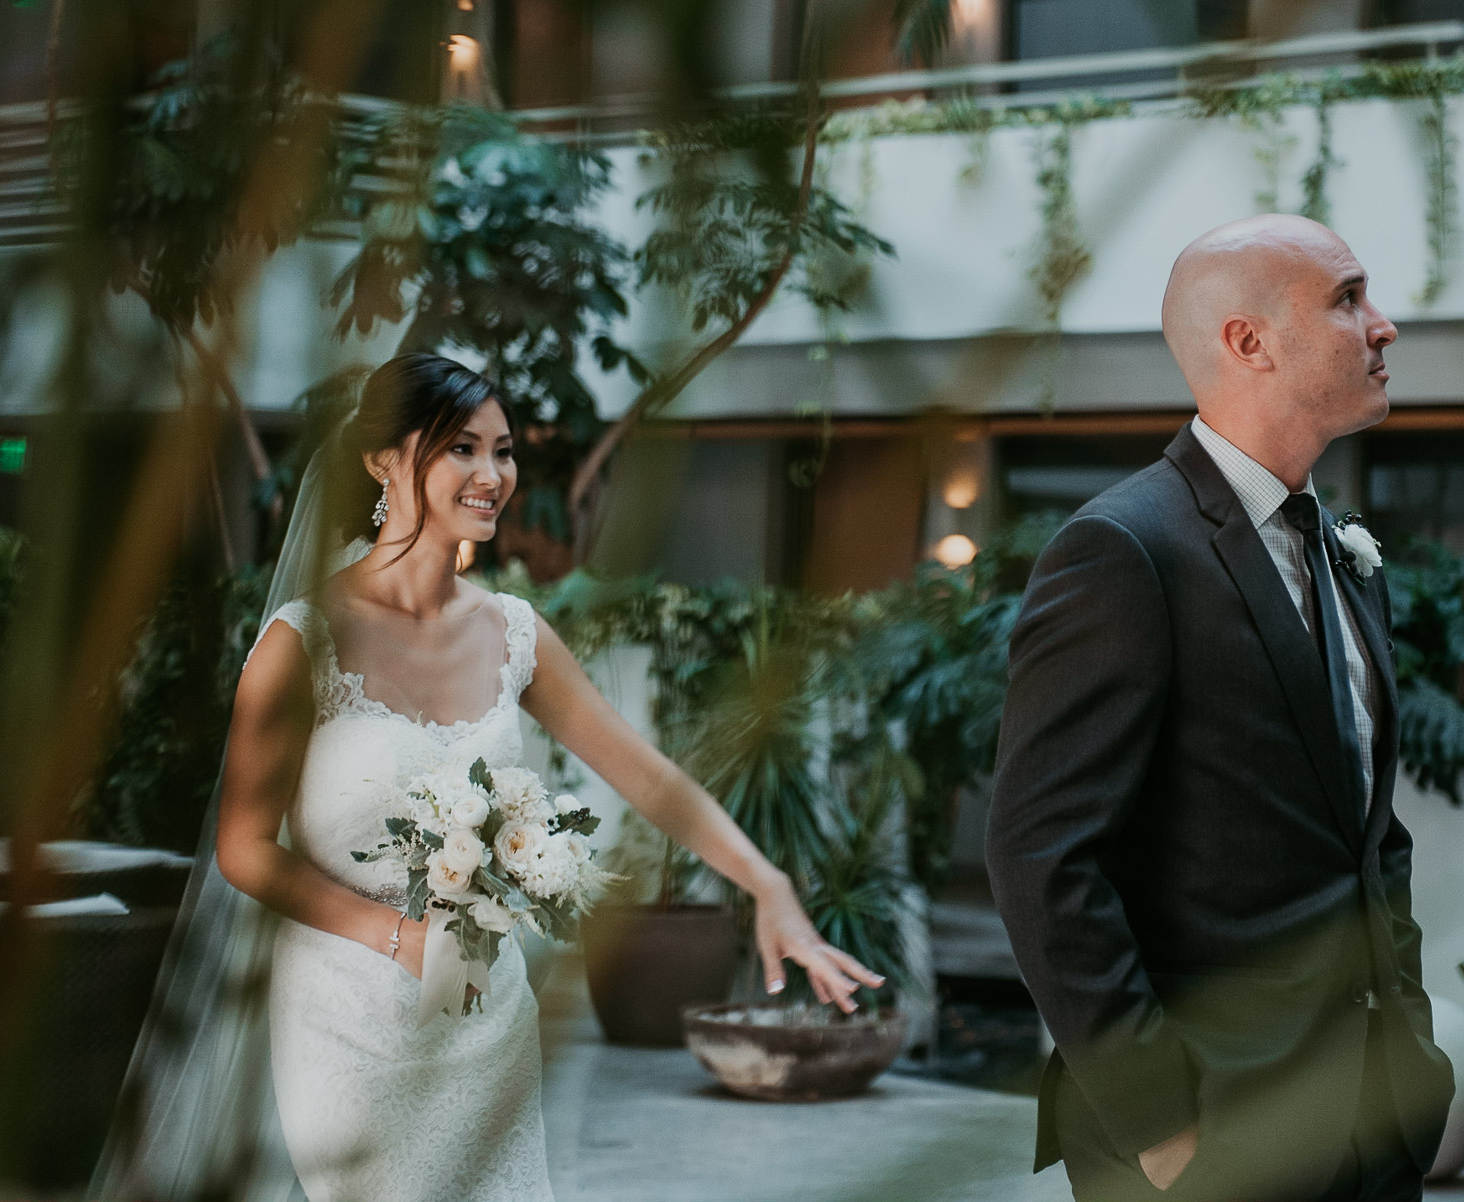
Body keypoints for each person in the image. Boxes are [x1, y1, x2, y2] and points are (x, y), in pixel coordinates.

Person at [100, 353, 880, 1202]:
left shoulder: (513, 632)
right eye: (461, 448)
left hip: (481, 1011)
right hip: (344, 1017)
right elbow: (245, 848)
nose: (492, 474)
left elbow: (647, 777)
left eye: (504, 450)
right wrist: (395, 937)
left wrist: (766, 884)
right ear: (384, 460)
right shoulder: (303, 641)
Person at [986, 215, 1455, 1202]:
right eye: (1348, 298)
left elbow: (1367, 828)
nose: (1385, 326)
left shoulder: (1342, 554)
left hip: (1372, 1114)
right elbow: (1042, 855)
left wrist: (1406, 1038)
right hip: (1210, 1136)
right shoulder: (1122, 549)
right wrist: (1162, 1124)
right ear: (1250, 342)